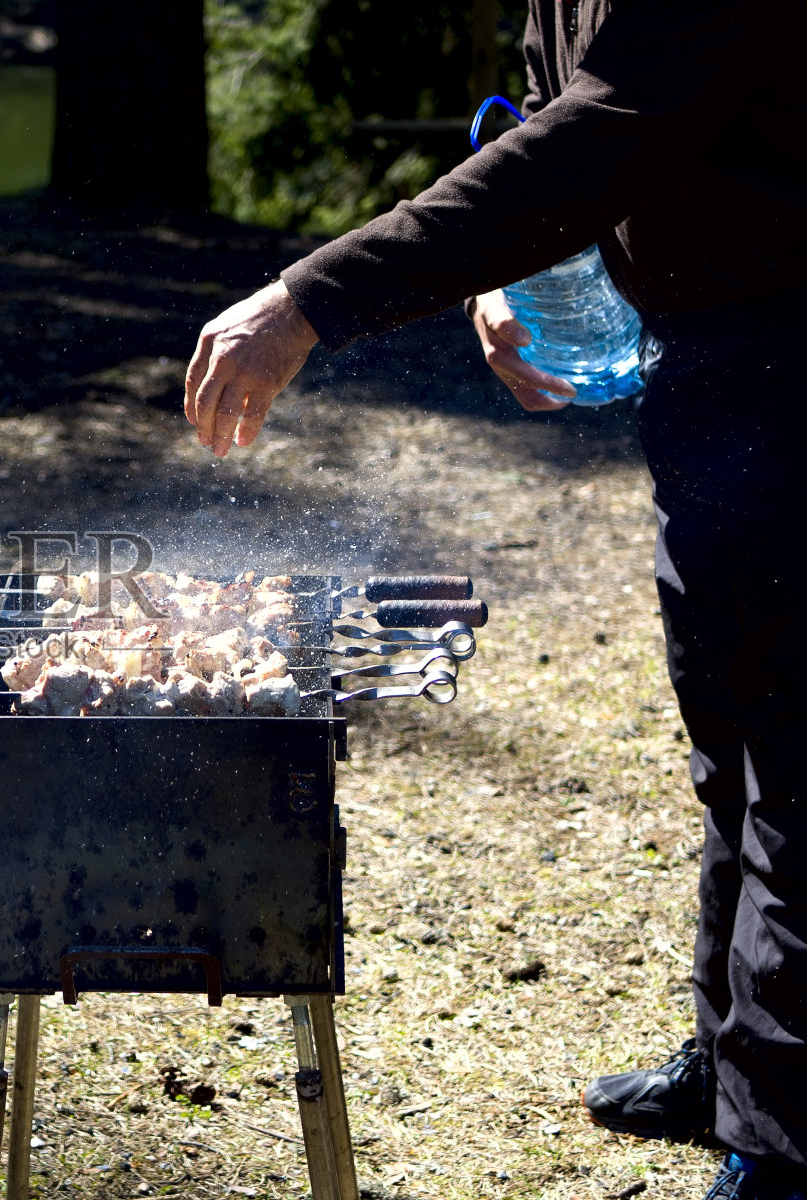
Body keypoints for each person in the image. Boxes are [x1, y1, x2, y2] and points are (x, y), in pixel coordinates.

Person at [182, 2, 807, 1197]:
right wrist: (518, 269)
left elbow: (614, 126)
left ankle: (782, 1148)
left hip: (806, 348)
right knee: (726, 722)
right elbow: (546, 107)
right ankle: (731, 1062)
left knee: (797, 750)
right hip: (712, 364)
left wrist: (310, 297)